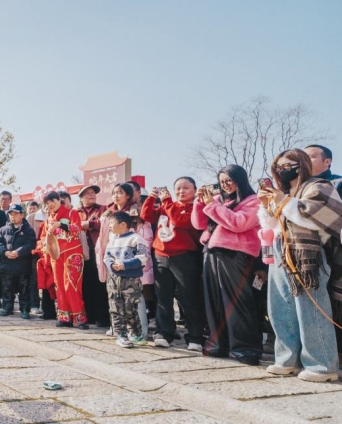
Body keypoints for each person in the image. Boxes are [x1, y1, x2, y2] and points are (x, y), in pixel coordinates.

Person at [258, 150, 342, 382]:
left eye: (288, 165)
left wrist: (283, 201)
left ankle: (322, 365)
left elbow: (318, 217)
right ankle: (288, 359)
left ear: (301, 165)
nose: (282, 170)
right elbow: (271, 224)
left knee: (310, 309)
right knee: (280, 308)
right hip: (278, 250)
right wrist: (267, 205)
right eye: (278, 167)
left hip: (308, 254)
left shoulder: (319, 185)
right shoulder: (282, 192)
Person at [192, 164, 262, 365]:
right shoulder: (218, 201)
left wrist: (213, 206)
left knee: (237, 302)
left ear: (240, 179)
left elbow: (238, 223)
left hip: (237, 254)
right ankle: (217, 344)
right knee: (213, 301)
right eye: (222, 181)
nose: (225, 185)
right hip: (211, 253)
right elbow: (198, 224)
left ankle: (245, 348)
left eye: (229, 180)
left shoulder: (253, 200)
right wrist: (200, 202)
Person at [142, 177, 204, 351]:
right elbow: (146, 215)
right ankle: (164, 333)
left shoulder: (195, 207)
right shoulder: (167, 205)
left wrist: (167, 201)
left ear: (194, 190)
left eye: (186, 188)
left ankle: (195, 337)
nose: (181, 191)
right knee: (163, 296)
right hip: (161, 255)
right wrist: (151, 198)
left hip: (184, 256)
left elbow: (179, 221)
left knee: (189, 297)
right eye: (178, 188)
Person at [96, 183, 151, 336]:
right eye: (114, 193)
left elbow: (144, 238)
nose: (116, 196)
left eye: (120, 192)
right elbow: (103, 239)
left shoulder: (136, 211)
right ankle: (118, 329)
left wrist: (133, 262)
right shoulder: (108, 213)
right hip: (113, 259)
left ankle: (140, 332)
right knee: (114, 298)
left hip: (132, 264)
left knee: (133, 300)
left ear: (128, 195)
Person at [104, 211, 150, 348]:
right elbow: (107, 257)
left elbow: (143, 258)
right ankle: (121, 335)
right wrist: (112, 266)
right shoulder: (112, 240)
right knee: (116, 307)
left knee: (131, 308)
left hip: (131, 281)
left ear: (123, 224)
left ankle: (136, 334)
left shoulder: (136, 238)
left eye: (111, 224)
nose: (110, 227)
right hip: (113, 280)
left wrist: (124, 265)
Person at [42, 191, 87, 329]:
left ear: (59, 200)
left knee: (72, 286)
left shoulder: (71, 213)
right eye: (47, 204)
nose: (50, 206)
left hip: (72, 254)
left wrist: (60, 225)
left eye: (52, 202)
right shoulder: (49, 218)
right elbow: (45, 236)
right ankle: (64, 317)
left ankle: (79, 318)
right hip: (57, 255)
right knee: (59, 286)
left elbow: (76, 229)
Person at [0, 204, 36, 318]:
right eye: (11, 214)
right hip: (6, 266)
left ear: (22, 215)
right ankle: (7, 308)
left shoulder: (28, 230)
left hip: (23, 266)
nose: (13, 217)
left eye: (16, 214)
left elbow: (31, 244)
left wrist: (19, 252)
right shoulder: (3, 230)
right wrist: (5, 252)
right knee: (7, 289)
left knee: (24, 290)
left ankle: (25, 310)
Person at [77, 185, 109, 328]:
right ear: (81, 197)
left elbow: (104, 223)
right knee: (85, 284)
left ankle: (102, 318)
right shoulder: (75, 211)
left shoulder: (103, 209)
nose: (92, 195)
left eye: (93, 193)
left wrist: (89, 223)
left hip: (98, 250)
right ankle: (88, 316)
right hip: (81, 252)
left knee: (100, 283)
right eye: (88, 193)